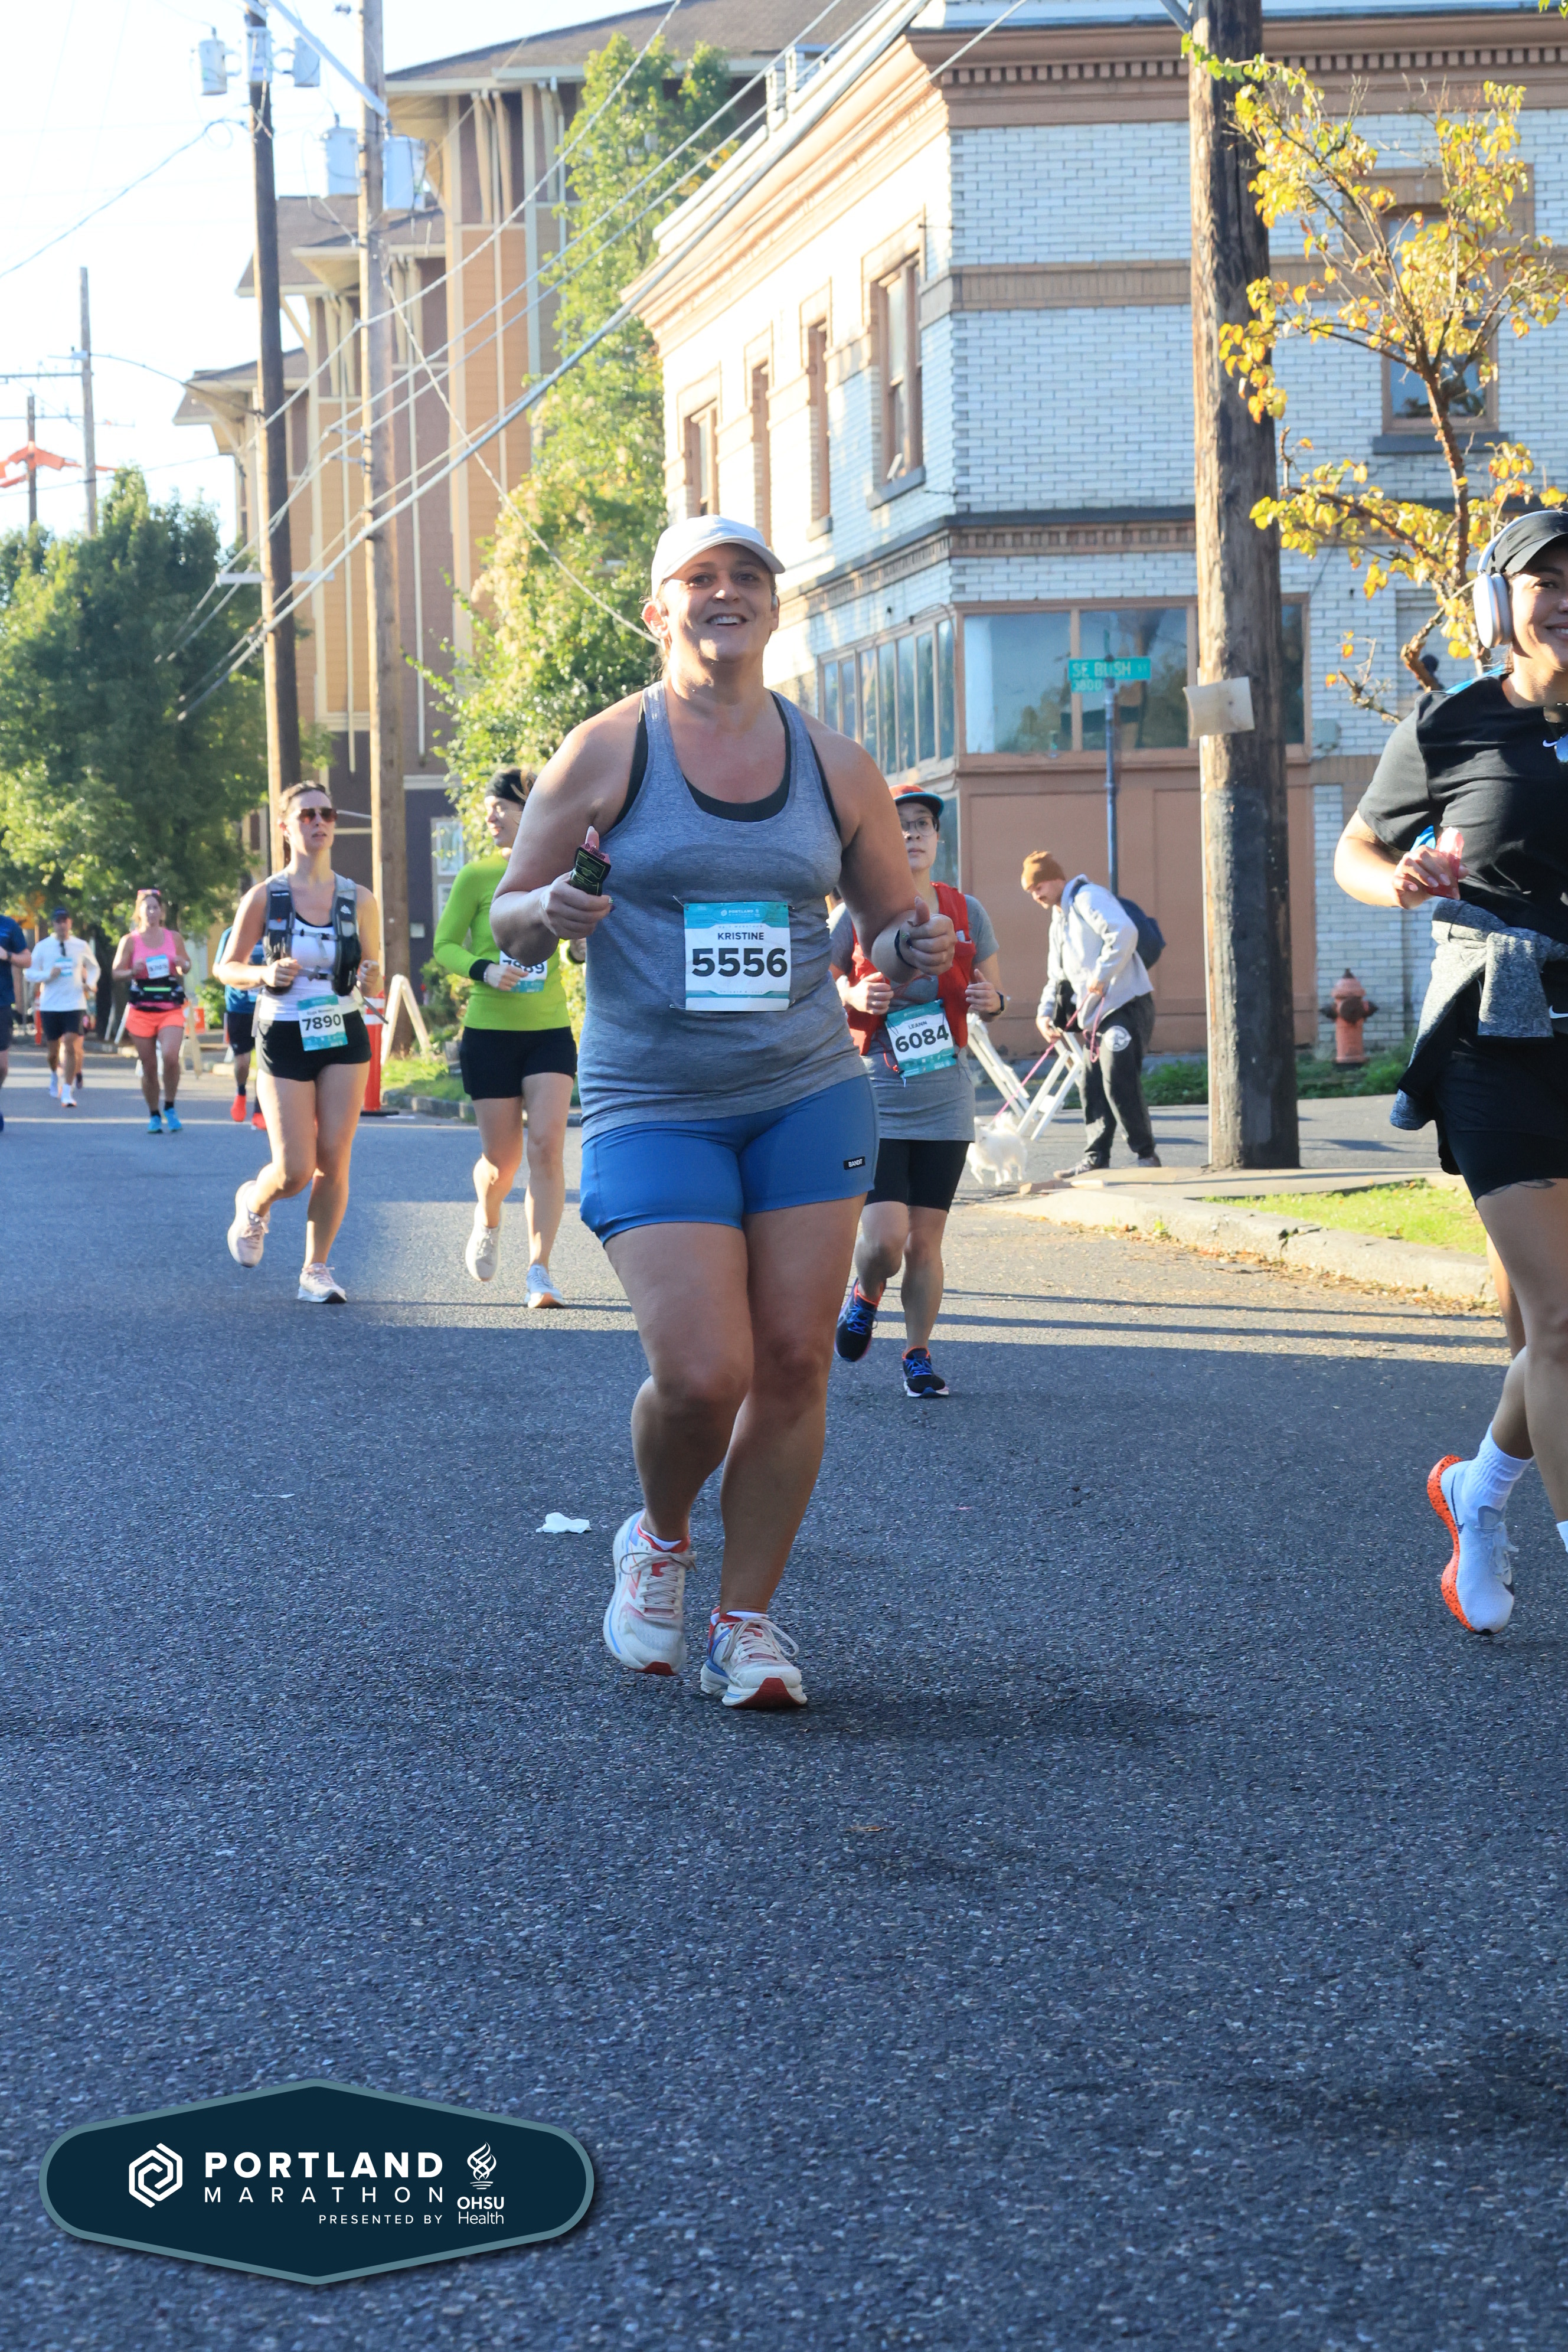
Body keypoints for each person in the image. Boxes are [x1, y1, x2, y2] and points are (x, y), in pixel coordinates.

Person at [490, 514, 954, 1710]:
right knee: (703, 1373)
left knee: (793, 1361)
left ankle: (744, 1624)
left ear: (773, 607)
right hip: (653, 1100)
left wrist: (914, 947)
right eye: (700, 577)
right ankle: (656, 1537)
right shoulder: (607, 751)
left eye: (747, 575)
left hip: (803, 1091)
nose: (726, 592)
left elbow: (889, 929)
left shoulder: (834, 764)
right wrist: (550, 909)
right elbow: (506, 918)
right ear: (660, 610)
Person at [1333, 506, 1568, 1637]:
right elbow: (1357, 849)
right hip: (1493, 1033)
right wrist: (1399, 880)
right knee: (1560, 1318)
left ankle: (1478, 1491)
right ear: (1497, 604)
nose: (1565, 600)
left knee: (1554, 1332)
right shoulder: (1453, 722)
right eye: (1545, 580)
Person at [830, 785, 1003, 1397]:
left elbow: (995, 993)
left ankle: (917, 1354)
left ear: (936, 837)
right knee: (885, 1240)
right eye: (899, 823)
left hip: (945, 1095)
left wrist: (993, 999)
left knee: (925, 1242)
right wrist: (853, 993)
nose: (911, 833)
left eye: (923, 823)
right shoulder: (853, 911)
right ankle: (864, 1292)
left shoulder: (966, 909)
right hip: (875, 1092)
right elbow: (818, 984)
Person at [216, 782, 381, 1304]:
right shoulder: (266, 896)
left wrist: (371, 976)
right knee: (293, 1170)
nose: (319, 822)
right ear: (285, 827)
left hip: (342, 1030)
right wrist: (264, 974)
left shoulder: (359, 898)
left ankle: (316, 1269)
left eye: (326, 813)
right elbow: (227, 967)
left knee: (334, 1158)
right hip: (284, 1031)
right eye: (307, 815)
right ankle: (255, 1204)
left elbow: (375, 972)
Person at [432, 765, 578, 1305]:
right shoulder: (477, 875)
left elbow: (577, 941)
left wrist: (581, 946)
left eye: (503, 806)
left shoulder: (560, 874)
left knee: (547, 1146)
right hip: (489, 1032)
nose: (492, 815)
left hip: (549, 1031)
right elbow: (444, 945)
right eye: (488, 807)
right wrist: (485, 970)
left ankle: (540, 1269)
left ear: (529, 810)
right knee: (502, 1163)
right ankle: (488, 1215)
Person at [1024, 850, 1161, 1175]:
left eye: (1039, 886)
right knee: (1092, 1083)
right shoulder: (1059, 921)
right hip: (1097, 1015)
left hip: (1125, 1004)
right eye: (1030, 891)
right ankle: (1096, 1157)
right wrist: (1044, 1013)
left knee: (1117, 1076)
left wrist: (1101, 975)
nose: (1036, 895)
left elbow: (1124, 932)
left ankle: (1146, 1155)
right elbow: (1057, 978)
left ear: (1057, 879)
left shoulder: (1088, 897)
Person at [112, 888, 191, 1133]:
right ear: (139, 912)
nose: (152, 912)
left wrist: (182, 964)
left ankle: (170, 1106)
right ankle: (154, 1114)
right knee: (148, 1066)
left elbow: (186, 965)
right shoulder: (130, 941)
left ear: (162, 912)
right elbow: (116, 973)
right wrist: (132, 971)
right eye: (147, 908)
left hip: (169, 1005)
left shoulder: (173, 938)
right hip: (142, 1008)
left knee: (170, 1056)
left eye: (156, 907)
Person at [29, 908, 100, 1109]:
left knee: (70, 1043)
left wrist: (91, 983)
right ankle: (54, 1075)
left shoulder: (80, 945)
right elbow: (30, 972)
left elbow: (94, 967)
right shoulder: (43, 947)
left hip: (74, 1003)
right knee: (53, 1052)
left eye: (65, 921)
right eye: (58, 921)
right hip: (51, 1005)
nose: (62, 925)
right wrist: (47, 975)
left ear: (70, 923)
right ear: (53, 924)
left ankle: (67, 1091)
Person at [214, 917, 267, 1127]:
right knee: (243, 1062)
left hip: (268, 1005)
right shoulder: (231, 934)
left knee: (265, 1061)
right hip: (240, 1006)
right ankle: (241, 1092)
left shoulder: (276, 931)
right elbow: (218, 969)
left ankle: (260, 1110)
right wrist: (242, 971)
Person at [0, 909, 31, 1133]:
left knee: (2, 1067)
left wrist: (7, 956)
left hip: (1, 1002)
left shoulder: (8, 926)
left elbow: (27, 959)